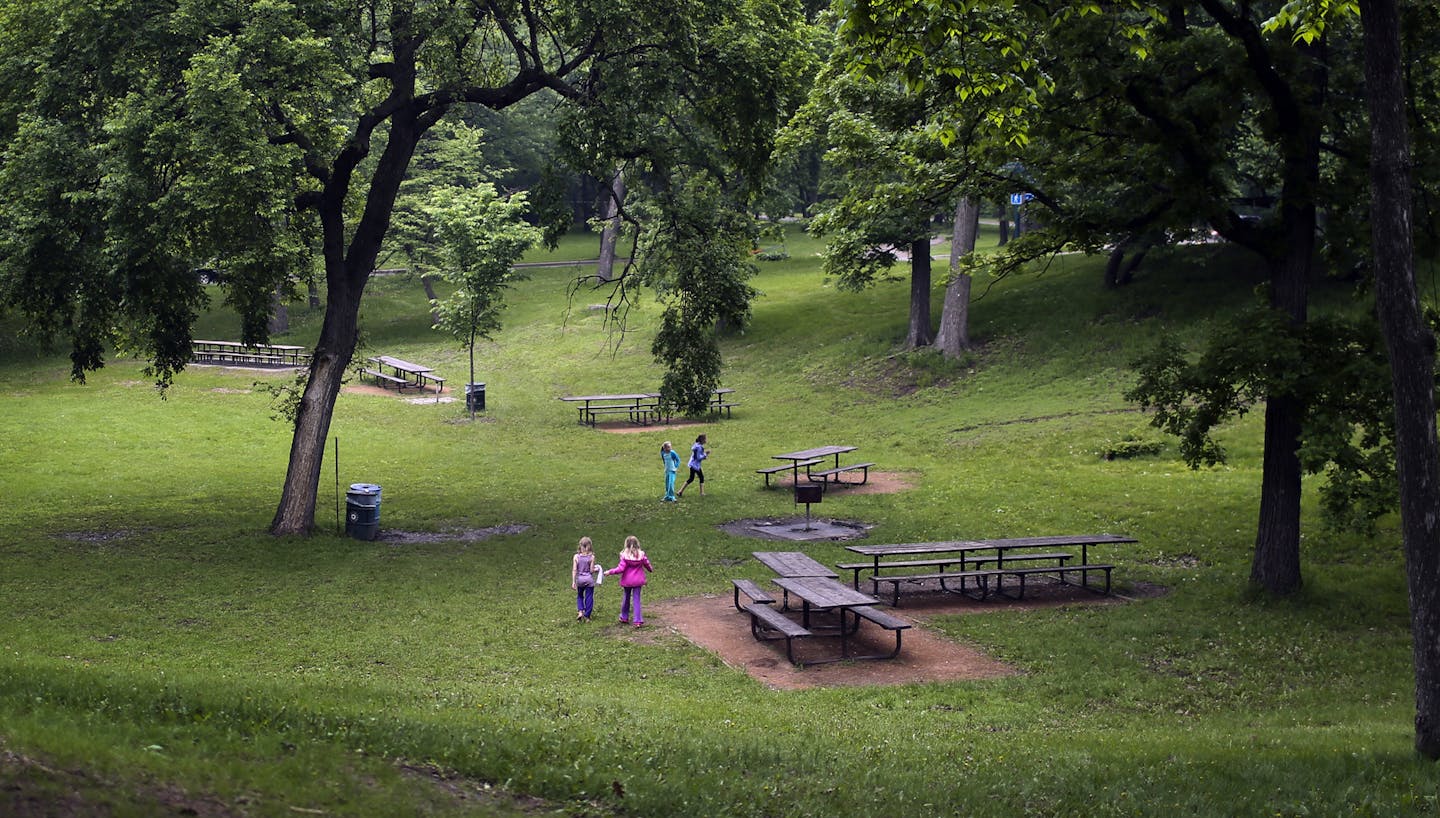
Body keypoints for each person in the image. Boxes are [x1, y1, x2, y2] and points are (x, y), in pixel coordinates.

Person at [606, 535, 653, 627]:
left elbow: (620, 569)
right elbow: (647, 564)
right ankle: (638, 620)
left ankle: (624, 616)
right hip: (638, 581)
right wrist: (650, 569)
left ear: (626, 545)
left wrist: (610, 572)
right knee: (637, 600)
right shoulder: (641, 555)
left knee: (626, 597)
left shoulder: (625, 556)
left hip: (627, 581)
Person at [571, 537, 601, 622]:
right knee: (589, 597)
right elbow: (591, 570)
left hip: (580, 580)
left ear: (580, 546)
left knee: (580, 596)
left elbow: (574, 569)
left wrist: (573, 581)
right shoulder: (591, 557)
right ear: (590, 546)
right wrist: (597, 569)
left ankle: (580, 611)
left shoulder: (576, 557)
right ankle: (587, 616)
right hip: (589, 580)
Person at [677, 433, 709, 498]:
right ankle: (702, 493)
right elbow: (698, 457)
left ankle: (680, 491)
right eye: (705, 439)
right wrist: (705, 454)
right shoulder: (699, 447)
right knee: (701, 477)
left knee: (691, 478)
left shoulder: (696, 445)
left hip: (692, 464)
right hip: (695, 465)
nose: (706, 440)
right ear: (702, 440)